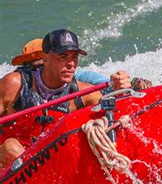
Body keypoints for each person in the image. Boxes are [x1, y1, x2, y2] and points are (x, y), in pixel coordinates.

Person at [0, 29, 131, 167]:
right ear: (45, 59)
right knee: (11, 147)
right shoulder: (14, 84)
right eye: (63, 56)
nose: (71, 64)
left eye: (74, 57)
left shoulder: (83, 93)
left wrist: (121, 91)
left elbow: (116, 114)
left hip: (53, 165)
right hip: (9, 169)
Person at [10, 38, 153, 91]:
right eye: (32, 67)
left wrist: (133, 84)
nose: (39, 71)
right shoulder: (15, 85)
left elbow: (109, 87)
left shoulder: (79, 78)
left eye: (42, 64)